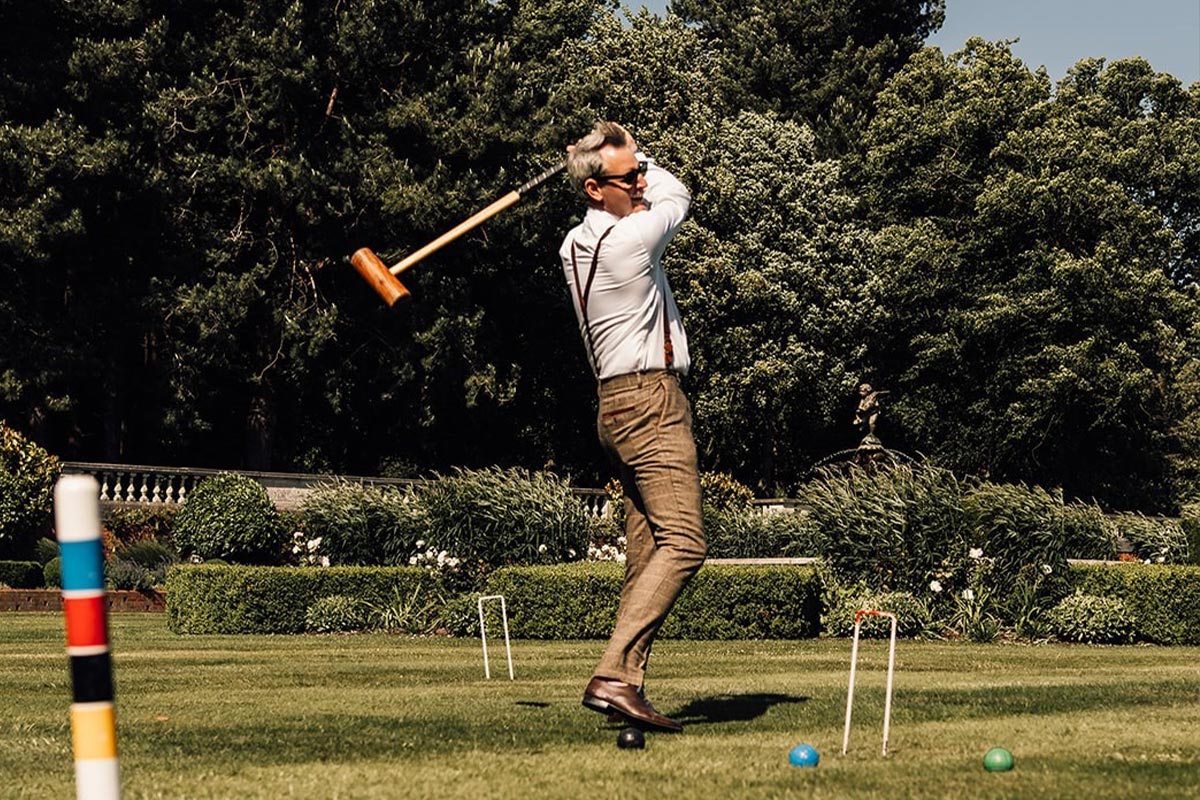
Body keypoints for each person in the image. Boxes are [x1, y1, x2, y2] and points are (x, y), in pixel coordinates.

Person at [559, 121, 707, 733]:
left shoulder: (573, 245)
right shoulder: (633, 241)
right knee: (686, 542)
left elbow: (645, 188)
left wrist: (613, 159)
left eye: (640, 170)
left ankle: (627, 684)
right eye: (629, 176)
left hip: (612, 406)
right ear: (596, 189)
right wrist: (638, 150)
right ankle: (613, 675)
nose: (642, 180)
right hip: (650, 399)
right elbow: (680, 193)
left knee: (646, 551)